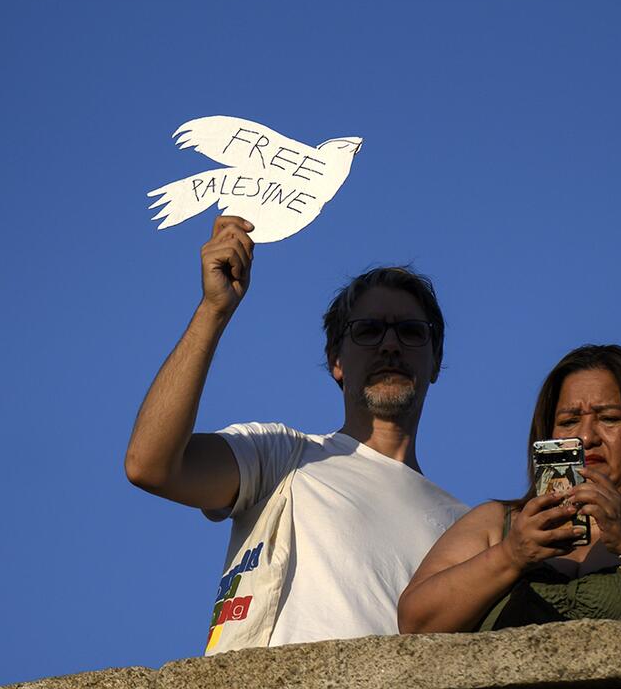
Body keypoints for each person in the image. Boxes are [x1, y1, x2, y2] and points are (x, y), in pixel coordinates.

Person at [125, 214, 466, 652]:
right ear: (336, 361)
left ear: (436, 361)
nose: (390, 345)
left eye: (410, 331)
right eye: (368, 331)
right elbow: (149, 465)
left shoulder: (469, 528)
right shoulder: (282, 458)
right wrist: (214, 310)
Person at [397, 343, 621, 632]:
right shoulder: (495, 523)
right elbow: (416, 621)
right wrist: (512, 554)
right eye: (568, 421)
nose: (586, 437)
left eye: (609, 418)